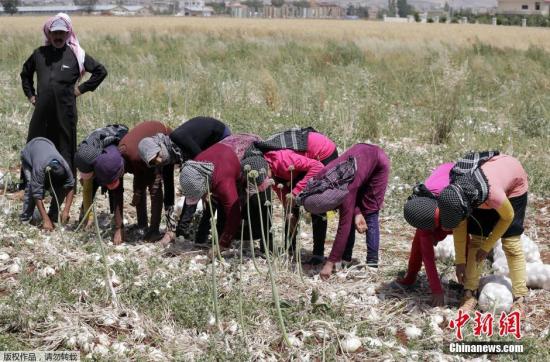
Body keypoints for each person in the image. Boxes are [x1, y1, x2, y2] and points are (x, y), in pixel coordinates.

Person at [438, 151, 528, 312]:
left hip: (513, 184)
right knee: (477, 241)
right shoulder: (456, 193)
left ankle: (520, 297)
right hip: (483, 189)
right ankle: (469, 293)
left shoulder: (493, 195)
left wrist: (488, 247)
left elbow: (507, 217)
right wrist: (460, 262)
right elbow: (460, 226)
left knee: (511, 244)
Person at [20, 13, 107, 180]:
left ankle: (66, 184)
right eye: (55, 33)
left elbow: (100, 71)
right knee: (34, 143)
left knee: (65, 148)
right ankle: (28, 183)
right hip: (42, 111)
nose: (58, 36)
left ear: (68, 33)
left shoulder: (75, 54)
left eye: (62, 33)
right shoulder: (39, 54)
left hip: (65, 112)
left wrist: (81, 89)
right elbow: (25, 74)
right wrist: (31, 95)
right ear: (49, 34)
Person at [296, 143, 390, 278]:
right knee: (351, 212)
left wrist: (330, 263)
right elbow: (308, 188)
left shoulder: (345, 193)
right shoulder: (320, 179)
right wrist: (356, 213)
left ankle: (372, 263)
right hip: (360, 158)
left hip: (378, 161)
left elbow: (343, 228)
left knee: (370, 211)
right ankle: (346, 258)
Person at [138, 116, 231, 239]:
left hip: (218, 135)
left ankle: (219, 234)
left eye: (158, 155)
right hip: (200, 148)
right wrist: (170, 228)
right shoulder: (168, 158)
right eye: (154, 162)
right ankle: (182, 231)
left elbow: (205, 164)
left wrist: (206, 191)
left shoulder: (179, 139)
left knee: (213, 190)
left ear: (159, 146)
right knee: (191, 183)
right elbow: (169, 192)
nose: (159, 160)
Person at [255, 128, 338, 263]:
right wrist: (289, 210)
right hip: (303, 158)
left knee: (317, 203)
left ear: (267, 168)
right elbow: (283, 194)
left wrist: (295, 192)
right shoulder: (268, 171)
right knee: (291, 210)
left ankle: (318, 254)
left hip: (323, 152)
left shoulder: (282, 160)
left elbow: (317, 166)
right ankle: (290, 249)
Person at [179, 134, 270, 249]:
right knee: (220, 203)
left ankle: (266, 245)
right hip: (226, 152)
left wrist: (222, 245)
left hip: (250, 150)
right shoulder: (195, 167)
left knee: (255, 204)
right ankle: (223, 237)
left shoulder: (222, 181)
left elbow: (234, 214)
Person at [90, 121, 174, 245]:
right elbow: (117, 193)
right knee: (138, 187)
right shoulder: (116, 160)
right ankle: (142, 225)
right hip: (142, 152)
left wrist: (138, 191)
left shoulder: (136, 157)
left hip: (164, 140)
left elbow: (152, 180)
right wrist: (119, 227)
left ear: (120, 171)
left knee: (156, 186)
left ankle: (155, 230)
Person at [398, 162, 465, 307]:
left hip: (454, 181)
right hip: (438, 190)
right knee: (420, 241)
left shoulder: (457, 206)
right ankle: (411, 275)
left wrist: (462, 264)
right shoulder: (424, 214)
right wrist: (436, 290)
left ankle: (469, 285)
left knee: (465, 239)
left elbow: (466, 241)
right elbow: (427, 256)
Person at [75, 124, 128, 227]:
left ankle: (115, 217)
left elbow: (115, 184)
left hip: (117, 148)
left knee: (113, 184)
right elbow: (87, 189)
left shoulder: (111, 155)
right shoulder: (84, 153)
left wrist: (119, 227)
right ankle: (84, 217)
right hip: (99, 152)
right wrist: (88, 217)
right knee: (91, 185)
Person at [20, 137, 75, 231]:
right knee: (31, 185)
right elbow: (36, 193)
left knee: (62, 188)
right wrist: (45, 220)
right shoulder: (40, 168)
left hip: (47, 145)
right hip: (29, 153)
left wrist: (66, 210)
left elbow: (70, 186)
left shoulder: (65, 167)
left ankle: (53, 214)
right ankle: (25, 219)